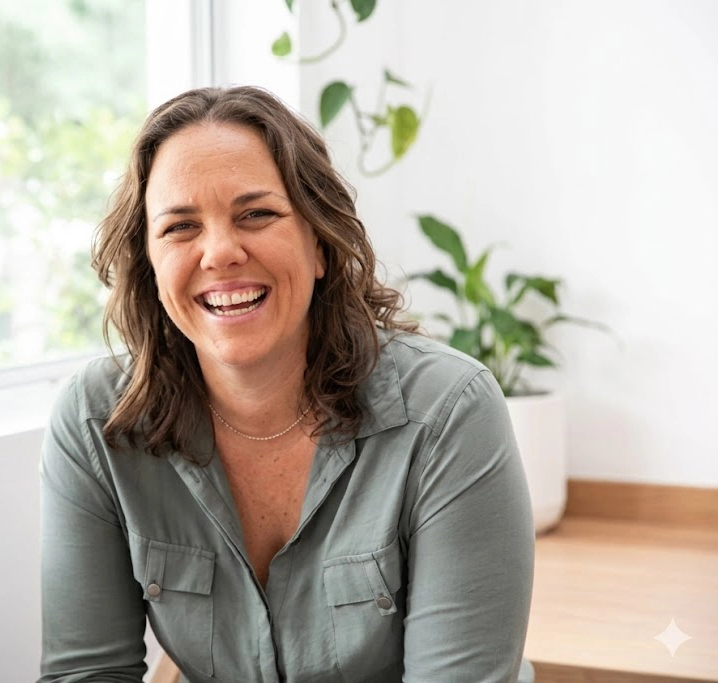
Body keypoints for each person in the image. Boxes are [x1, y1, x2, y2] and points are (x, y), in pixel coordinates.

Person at [39, 85, 536, 682]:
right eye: (180, 227)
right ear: (149, 263)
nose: (220, 252)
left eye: (257, 214)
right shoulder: (97, 421)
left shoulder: (448, 412)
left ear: (320, 243)